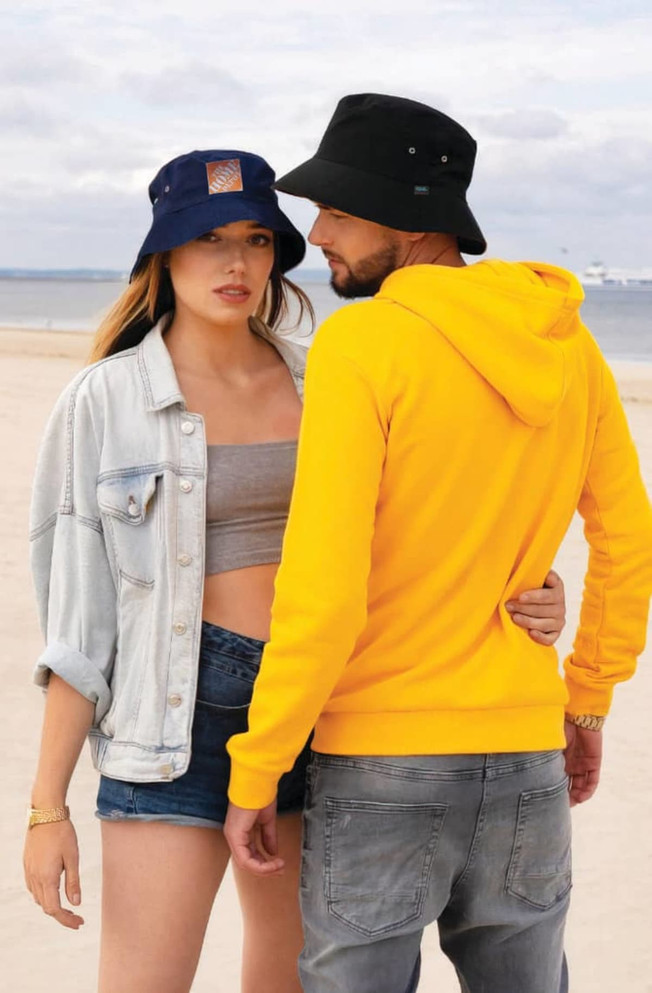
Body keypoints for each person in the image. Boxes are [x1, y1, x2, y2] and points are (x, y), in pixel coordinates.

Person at [22, 145, 566, 993]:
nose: (237, 263)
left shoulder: (331, 373)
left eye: (258, 240)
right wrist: (46, 806)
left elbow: (429, 528)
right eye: (210, 240)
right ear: (165, 253)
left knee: (290, 983)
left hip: (331, 710)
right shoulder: (105, 401)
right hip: (175, 722)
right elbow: (78, 623)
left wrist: (532, 582)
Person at [224, 94, 652, 993]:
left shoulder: (365, 342)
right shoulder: (569, 348)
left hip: (382, 760)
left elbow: (323, 583)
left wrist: (258, 763)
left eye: (336, 208)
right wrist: (586, 700)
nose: (318, 230)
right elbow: (627, 536)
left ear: (407, 219)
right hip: (528, 754)